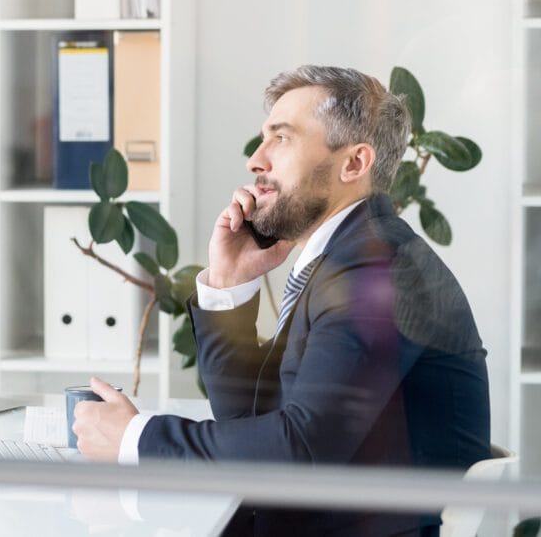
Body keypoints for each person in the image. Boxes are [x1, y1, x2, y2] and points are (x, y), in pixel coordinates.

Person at [72, 65, 491, 536]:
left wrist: (137, 439)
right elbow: (253, 419)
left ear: (353, 164)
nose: (255, 159)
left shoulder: (380, 271)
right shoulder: (346, 256)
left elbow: (303, 452)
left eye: (281, 138)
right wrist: (229, 283)